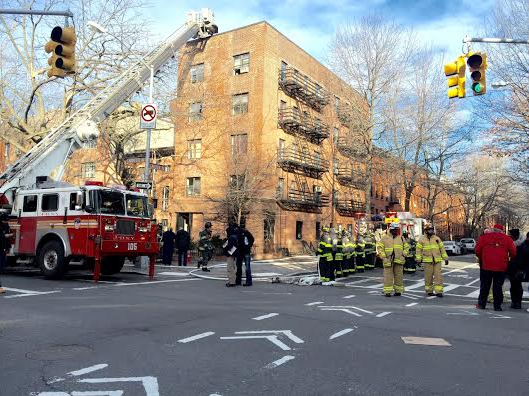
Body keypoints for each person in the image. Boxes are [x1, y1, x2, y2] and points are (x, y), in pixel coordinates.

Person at [475, 223, 516, 311]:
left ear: (493, 229)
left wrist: (482, 258)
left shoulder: (484, 237)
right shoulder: (507, 239)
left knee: (485, 286)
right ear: (502, 231)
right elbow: (513, 252)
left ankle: (482, 304)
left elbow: (477, 250)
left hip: (486, 265)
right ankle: (497, 306)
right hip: (501, 266)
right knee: (498, 286)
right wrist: (508, 260)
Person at [415, 224, 448, 297]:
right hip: (427, 261)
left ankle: (438, 291)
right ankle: (429, 290)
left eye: (432, 229)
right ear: (426, 231)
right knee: (428, 277)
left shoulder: (437, 239)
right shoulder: (421, 239)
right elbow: (418, 250)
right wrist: (418, 259)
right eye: (429, 230)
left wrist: (445, 258)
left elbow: (442, 249)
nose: (431, 231)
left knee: (438, 276)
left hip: (437, 261)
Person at [377, 223, 408, 296]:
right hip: (388, 260)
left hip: (399, 260)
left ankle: (398, 291)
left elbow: (406, 247)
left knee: (399, 276)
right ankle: (387, 291)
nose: (395, 231)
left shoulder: (401, 238)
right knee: (388, 277)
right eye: (394, 230)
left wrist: (403, 255)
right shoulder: (384, 238)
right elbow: (380, 248)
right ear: (390, 229)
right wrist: (384, 257)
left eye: (396, 230)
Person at [507, 231, 529, 309]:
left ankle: (516, 302)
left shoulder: (521, 246)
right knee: (515, 286)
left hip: (519, 269)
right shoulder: (521, 246)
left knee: (516, 286)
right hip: (517, 269)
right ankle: (516, 302)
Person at [0, 213, 12, 294]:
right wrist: (8, 235)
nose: (5, 222)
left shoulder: (6, 225)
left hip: (3, 248)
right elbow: (2, 236)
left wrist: (7, 248)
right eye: (4, 220)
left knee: (1, 266)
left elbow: (6, 239)